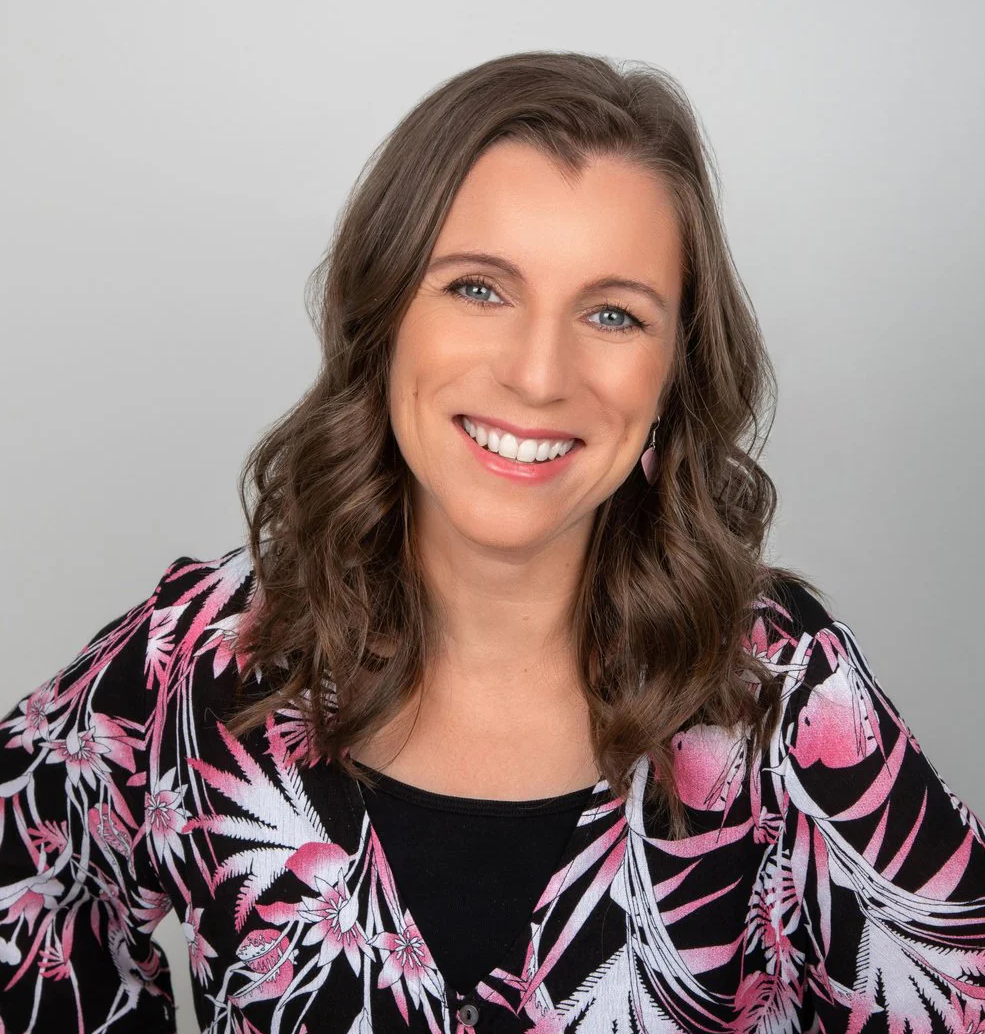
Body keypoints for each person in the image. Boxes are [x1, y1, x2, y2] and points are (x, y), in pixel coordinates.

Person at [1, 50, 982, 1034]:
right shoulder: (202, 653)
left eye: (612, 312)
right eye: (479, 288)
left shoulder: (779, 687)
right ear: (384, 317)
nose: (539, 372)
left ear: (671, 375)